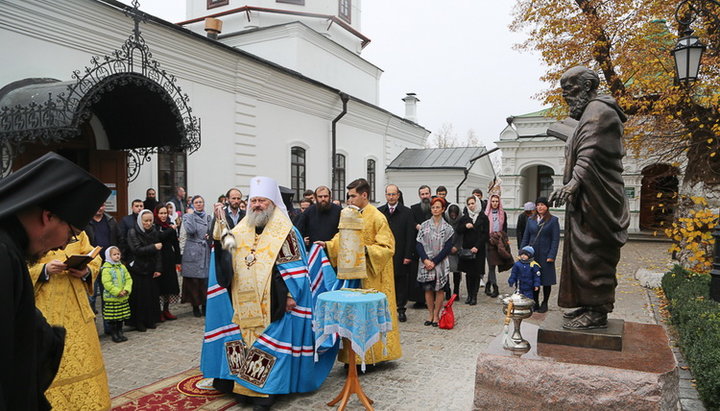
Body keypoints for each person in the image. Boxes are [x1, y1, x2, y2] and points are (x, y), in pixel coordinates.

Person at [208, 176, 336, 409]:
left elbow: (296, 268)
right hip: (243, 298)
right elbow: (227, 250)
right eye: (254, 200)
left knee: (270, 345)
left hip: (274, 300)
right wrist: (220, 227)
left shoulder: (286, 231)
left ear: (272, 203)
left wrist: (290, 296)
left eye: (262, 201)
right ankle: (244, 387)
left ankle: (265, 391)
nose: (256, 205)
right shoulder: (242, 227)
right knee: (244, 341)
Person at [0, 151, 110, 410]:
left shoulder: (10, 248)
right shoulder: (4, 255)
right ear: (48, 216)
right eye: (70, 235)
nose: (63, 245)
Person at [549, 66, 629, 329]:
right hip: (588, 199)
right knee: (582, 254)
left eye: (569, 90)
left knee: (593, 252)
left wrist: (572, 183)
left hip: (599, 201)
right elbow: (585, 144)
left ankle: (598, 310)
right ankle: (588, 304)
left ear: (586, 87)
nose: (566, 97)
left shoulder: (599, 111)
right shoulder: (590, 114)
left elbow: (590, 153)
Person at [320, 178, 402, 364]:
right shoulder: (350, 214)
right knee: (353, 317)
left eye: (352, 196)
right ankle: (353, 358)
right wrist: (326, 245)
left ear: (364, 195)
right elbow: (341, 238)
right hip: (353, 275)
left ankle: (375, 357)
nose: (349, 200)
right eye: (348, 196)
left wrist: (366, 250)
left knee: (369, 316)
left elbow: (388, 247)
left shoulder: (377, 217)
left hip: (373, 276)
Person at [28, 230, 110, 410]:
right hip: (47, 310)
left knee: (85, 360)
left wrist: (86, 270)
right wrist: (44, 270)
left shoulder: (77, 231)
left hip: (78, 310)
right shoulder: (32, 232)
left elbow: (94, 256)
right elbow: (18, 267)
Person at [378, 184, 415, 322]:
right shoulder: (380, 211)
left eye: (394, 194)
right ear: (385, 195)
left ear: (398, 195)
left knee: (401, 283)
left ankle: (400, 309)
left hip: (401, 253)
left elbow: (410, 235)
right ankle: (386, 308)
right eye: (389, 194)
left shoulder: (407, 212)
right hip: (384, 255)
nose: (391, 197)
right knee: (385, 282)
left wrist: (407, 255)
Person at [416, 197, 455, 327]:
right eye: (433, 207)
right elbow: (419, 244)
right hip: (426, 262)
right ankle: (430, 314)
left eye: (438, 207)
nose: (435, 209)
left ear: (443, 209)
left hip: (440, 263)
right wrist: (426, 260)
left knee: (439, 290)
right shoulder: (425, 225)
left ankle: (437, 315)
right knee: (428, 289)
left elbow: (448, 247)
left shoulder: (448, 228)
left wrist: (435, 261)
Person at [521, 197, 561, 313]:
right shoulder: (531, 220)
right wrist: (522, 252)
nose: (540, 207)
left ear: (547, 207)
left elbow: (555, 240)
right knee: (534, 279)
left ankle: (545, 302)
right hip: (532, 254)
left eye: (542, 205)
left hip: (546, 254)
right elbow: (526, 237)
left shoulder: (553, 220)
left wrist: (552, 255)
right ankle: (535, 301)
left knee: (546, 280)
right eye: (538, 205)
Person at [127, 209, 162, 331]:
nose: (148, 223)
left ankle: (150, 320)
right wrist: (153, 247)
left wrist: (158, 268)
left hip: (150, 268)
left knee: (150, 296)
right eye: (145, 221)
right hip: (137, 268)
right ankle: (138, 322)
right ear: (140, 221)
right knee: (139, 298)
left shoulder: (154, 231)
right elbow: (137, 250)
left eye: (150, 221)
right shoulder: (132, 232)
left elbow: (158, 253)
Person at [180, 195, 212, 317]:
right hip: (192, 250)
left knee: (205, 280)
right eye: (196, 202)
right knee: (193, 281)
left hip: (205, 251)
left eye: (201, 202)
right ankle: (195, 306)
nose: (199, 204)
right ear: (193, 204)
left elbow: (211, 231)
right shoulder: (188, 217)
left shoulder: (208, 217)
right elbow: (191, 230)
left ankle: (204, 305)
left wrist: (209, 236)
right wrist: (190, 215)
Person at [85, 203, 119, 316]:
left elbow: (118, 238)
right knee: (92, 297)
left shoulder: (111, 221)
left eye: (102, 205)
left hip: (108, 264)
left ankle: (109, 328)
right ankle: (93, 328)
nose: (100, 208)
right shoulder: (86, 222)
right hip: (92, 264)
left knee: (108, 296)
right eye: (97, 205)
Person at [455, 196, 489, 305]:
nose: (471, 206)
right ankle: (469, 295)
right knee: (468, 273)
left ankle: (474, 296)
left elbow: (485, 235)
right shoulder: (465, 217)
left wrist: (477, 246)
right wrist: (465, 226)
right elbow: (458, 230)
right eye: (469, 204)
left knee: (476, 273)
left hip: (478, 249)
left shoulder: (483, 217)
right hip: (467, 249)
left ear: (477, 203)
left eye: (472, 203)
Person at [154, 204, 181, 321]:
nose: (163, 215)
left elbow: (175, 243)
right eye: (161, 213)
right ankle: (158, 311)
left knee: (169, 285)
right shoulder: (154, 225)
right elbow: (159, 237)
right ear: (157, 214)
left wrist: (178, 260)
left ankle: (166, 309)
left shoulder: (170, 225)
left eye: (165, 213)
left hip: (169, 258)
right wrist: (171, 229)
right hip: (158, 258)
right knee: (160, 286)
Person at [101, 246, 132, 343]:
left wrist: (126, 289)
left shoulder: (122, 267)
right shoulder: (106, 269)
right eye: (114, 254)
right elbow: (107, 283)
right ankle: (114, 333)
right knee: (113, 318)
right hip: (112, 298)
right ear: (109, 256)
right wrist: (117, 292)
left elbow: (128, 279)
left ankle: (120, 331)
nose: (117, 256)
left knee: (120, 317)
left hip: (122, 297)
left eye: (118, 254)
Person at [294, 185, 341, 250]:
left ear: (330, 197)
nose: (323, 199)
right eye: (320, 196)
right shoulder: (308, 212)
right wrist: (303, 240)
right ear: (315, 197)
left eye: (325, 196)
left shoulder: (339, 211)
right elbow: (299, 231)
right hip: (314, 252)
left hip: (333, 251)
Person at [408, 185, 433, 308]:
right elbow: (410, 222)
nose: (425, 196)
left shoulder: (435, 207)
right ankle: (419, 300)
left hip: (433, 247)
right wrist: (416, 225)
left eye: (426, 194)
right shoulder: (414, 208)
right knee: (417, 274)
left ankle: (431, 299)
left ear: (430, 194)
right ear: (419, 196)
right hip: (418, 247)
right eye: (422, 194)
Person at [485, 194, 511, 298]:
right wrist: (488, 239)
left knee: (494, 264)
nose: (495, 203)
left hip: (498, 240)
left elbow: (505, 228)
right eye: (493, 201)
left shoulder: (502, 213)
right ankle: (495, 287)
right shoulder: (486, 214)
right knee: (491, 265)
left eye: (497, 201)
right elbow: (483, 229)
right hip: (489, 241)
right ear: (490, 203)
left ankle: (488, 284)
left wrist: (505, 240)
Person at [443, 203, 463, 301]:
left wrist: (457, 247)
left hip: (457, 251)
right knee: (445, 272)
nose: (453, 215)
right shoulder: (445, 222)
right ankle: (447, 291)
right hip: (447, 250)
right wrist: (448, 247)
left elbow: (462, 236)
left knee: (457, 272)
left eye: (455, 213)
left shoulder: (461, 222)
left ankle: (456, 292)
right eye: (452, 213)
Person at [118, 199, 144, 264]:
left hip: (144, 251)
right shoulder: (126, 220)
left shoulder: (147, 219)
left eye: (141, 206)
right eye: (137, 206)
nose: (139, 208)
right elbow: (122, 237)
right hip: (130, 252)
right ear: (132, 208)